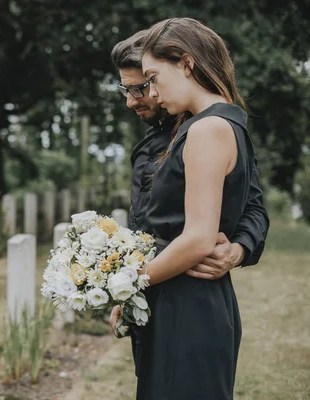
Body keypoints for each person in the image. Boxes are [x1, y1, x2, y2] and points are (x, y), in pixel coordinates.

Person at [113, 18, 269, 399]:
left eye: (150, 80)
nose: (146, 93)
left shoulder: (206, 129)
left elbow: (200, 237)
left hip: (189, 298)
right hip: (174, 295)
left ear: (185, 64)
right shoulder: (217, 124)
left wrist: (126, 286)